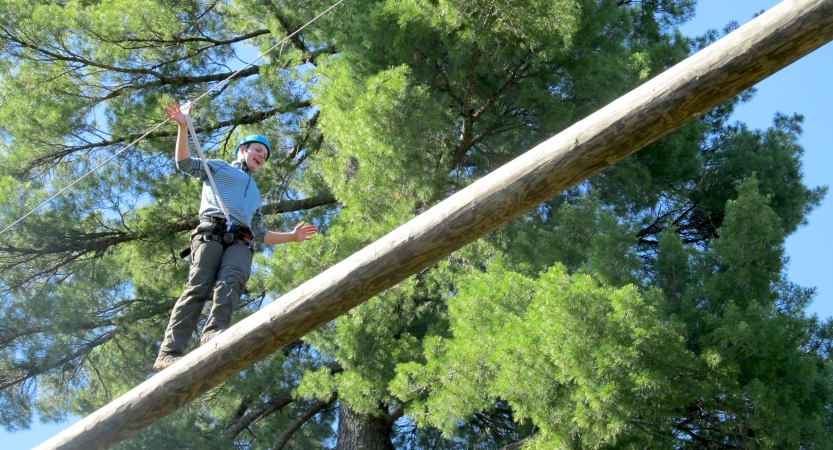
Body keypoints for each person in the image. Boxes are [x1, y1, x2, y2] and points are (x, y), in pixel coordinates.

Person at [154, 101, 317, 371]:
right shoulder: (218, 168)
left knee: (232, 283)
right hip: (211, 231)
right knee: (198, 287)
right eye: (258, 151)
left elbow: (261, 233)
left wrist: (292, 236)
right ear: (243, 151)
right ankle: (169, 353)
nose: (261, 157)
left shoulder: (255, 193)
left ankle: (213, 334)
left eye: (265, 156)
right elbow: (184, 162)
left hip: (241, 241)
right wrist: (183, 127)